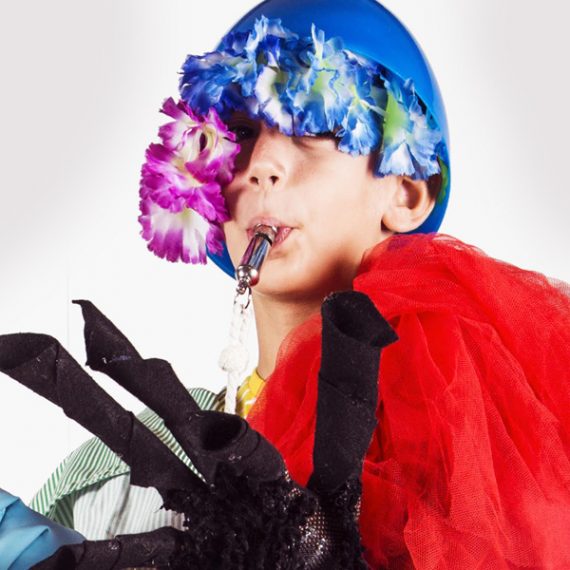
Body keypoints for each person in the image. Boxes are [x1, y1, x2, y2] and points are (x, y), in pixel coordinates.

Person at [2, 0, 570, 567]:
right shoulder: (112, 472)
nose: (261, 163)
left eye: (314, 127)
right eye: (240, 131)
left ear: (407, 190)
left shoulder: (493, 439)